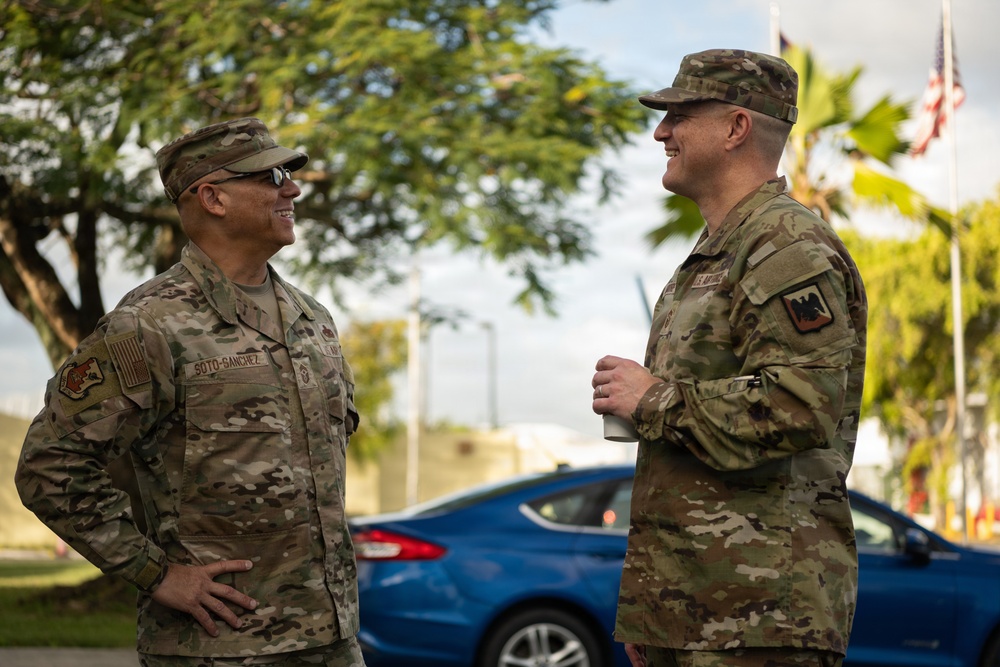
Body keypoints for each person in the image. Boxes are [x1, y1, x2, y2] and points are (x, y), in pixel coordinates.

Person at [16, 118, 366, 667]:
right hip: (218, 649)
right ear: (213, 198)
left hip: (333, 642)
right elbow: (50, 466)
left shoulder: (313, 320)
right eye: (273, 177)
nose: (293, 190)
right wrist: (155, 574)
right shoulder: (149, 324)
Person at [591, 49, 867, 667]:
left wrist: (651, 398)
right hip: (696, 614)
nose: (661, 132)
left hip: (762, 618)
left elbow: (801, 404)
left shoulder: (784, 244)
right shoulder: (720, 248)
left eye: (680, 116)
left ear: (736, 127)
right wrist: (654, 610)